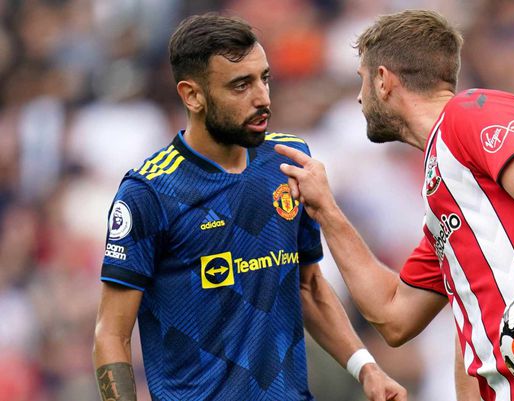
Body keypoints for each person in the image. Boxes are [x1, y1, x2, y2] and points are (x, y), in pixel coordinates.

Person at [276, 9, 514, 401]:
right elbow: (393, 315)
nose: (359, 96)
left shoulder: (471, 111)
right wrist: (326, 210)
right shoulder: (446, 196)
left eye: (362, 80)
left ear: (383, 80)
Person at [92, 13, 407, 401]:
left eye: (265, 79)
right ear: (192, 95)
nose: (262, 98)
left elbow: (307, 285)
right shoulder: (149, 192)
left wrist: (366, 369)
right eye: (241, 85)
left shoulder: (288, 161)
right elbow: (111, 334)